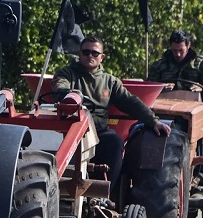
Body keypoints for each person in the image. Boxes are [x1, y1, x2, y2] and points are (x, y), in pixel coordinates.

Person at [52, 35, 170, 187]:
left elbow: (130, 102)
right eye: (86, 52)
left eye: (95, 53)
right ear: (79, 54)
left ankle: (103, 192)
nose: (90, 56)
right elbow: (60, 86)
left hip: (98, 133)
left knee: (115, 142)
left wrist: (153, 121)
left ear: (102, 57)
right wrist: (68, 94)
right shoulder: (66, 73)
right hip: (69, 130)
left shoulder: (110, 81)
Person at [147, 29, 203, 103]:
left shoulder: (202, 64)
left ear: (188, 45)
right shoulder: (159, 65)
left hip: (194, 106)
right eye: (174, 50)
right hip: (164, 105)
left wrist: (202, 89)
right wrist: (161, 88)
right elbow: (148, 88)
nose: (178, 54)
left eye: (181, 50)